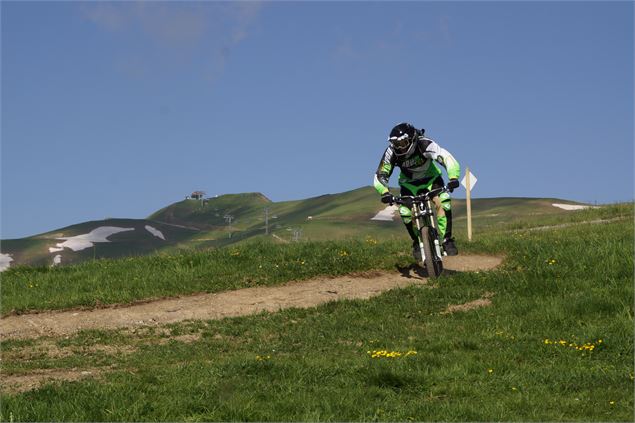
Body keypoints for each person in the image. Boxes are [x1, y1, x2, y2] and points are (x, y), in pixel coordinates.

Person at [373, 122, 461, 257]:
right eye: (397, 144)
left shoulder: (424, 144)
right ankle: (417, 242)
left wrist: (453, 177)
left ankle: (447, 240)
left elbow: (446, 157)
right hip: (409, 185)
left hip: (431, 180)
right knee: (405, 212)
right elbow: (381, 174)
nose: (400, 148)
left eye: (403, 143)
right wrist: (385, 192)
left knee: (443, 201)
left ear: (412, 139)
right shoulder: (391, 152)